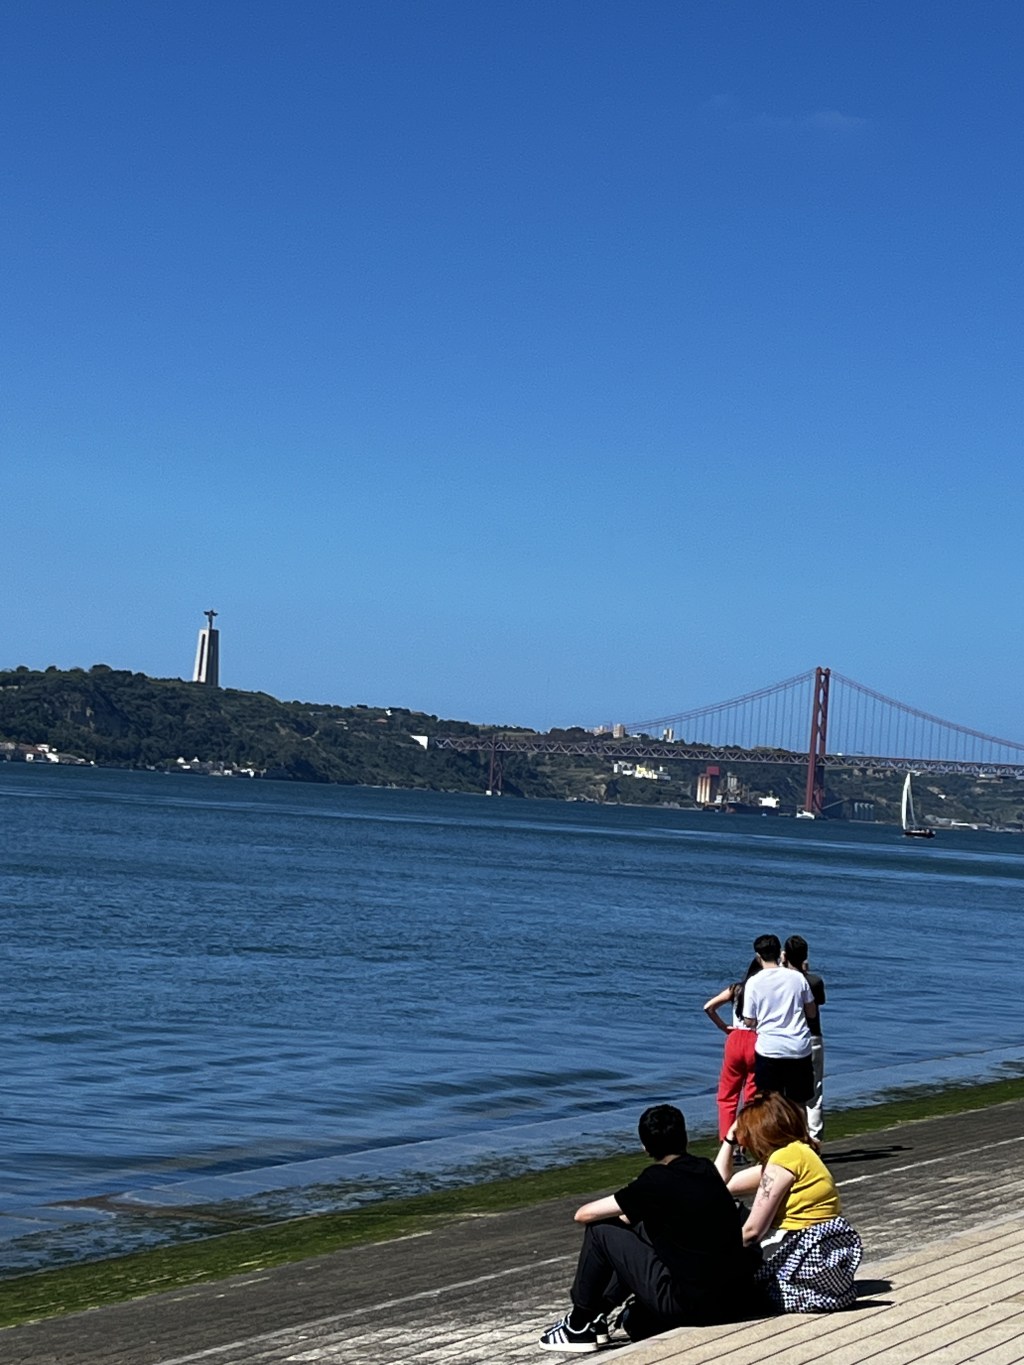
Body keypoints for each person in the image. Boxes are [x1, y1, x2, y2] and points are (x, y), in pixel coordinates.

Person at [539, 1104, 751, 1352]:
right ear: (684, 1137)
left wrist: (629, 1209)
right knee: (641, 1227)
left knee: (601, 1230)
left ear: (645, 1147)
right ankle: (599, 1315)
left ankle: (578, 1324)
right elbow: (720, 1173)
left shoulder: (654, 1180)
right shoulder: (704, 1169)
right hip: (732, 1299)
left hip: (689, 1305)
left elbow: (583, 1215)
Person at [714, 1093, 862, 1313]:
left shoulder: (781, 1161)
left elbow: (753, 1231)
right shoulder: (801, 1152)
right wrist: (730, 1139)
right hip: (823, 1248)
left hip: (799, 1249)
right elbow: (720, 1186)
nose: (744, 1144)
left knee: (732, 1213)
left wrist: (715, 1254)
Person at [741, 934, 816, 1105]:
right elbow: (811, 1012)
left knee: (769, 1104)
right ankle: (799, 1131)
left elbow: (749, 1020)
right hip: (798, 1047)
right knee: (798, 1103)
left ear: (758, 957)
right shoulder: (797, 978)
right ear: (779, 954)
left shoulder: (753, 982)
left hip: (770, 1049)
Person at [703, 957, 762, 1140]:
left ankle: (727, 1141)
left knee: (727, 1095)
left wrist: (724, 1027)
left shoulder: (735, 989)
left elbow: (709, 1007)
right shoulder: (765, 989)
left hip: (735, 1038)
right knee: (752, 1095)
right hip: (757, 1038)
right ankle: (746, 1140)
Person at [783, 934, 826, 1142]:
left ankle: (792, 1136)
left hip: (789, 1038)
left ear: (784, 956)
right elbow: (817, 1005)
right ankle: (815, 1137)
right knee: (814, 1091)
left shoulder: (781, 980)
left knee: (788, 1093)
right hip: (813, 1036)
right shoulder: (814, 981)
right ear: (805, 956)